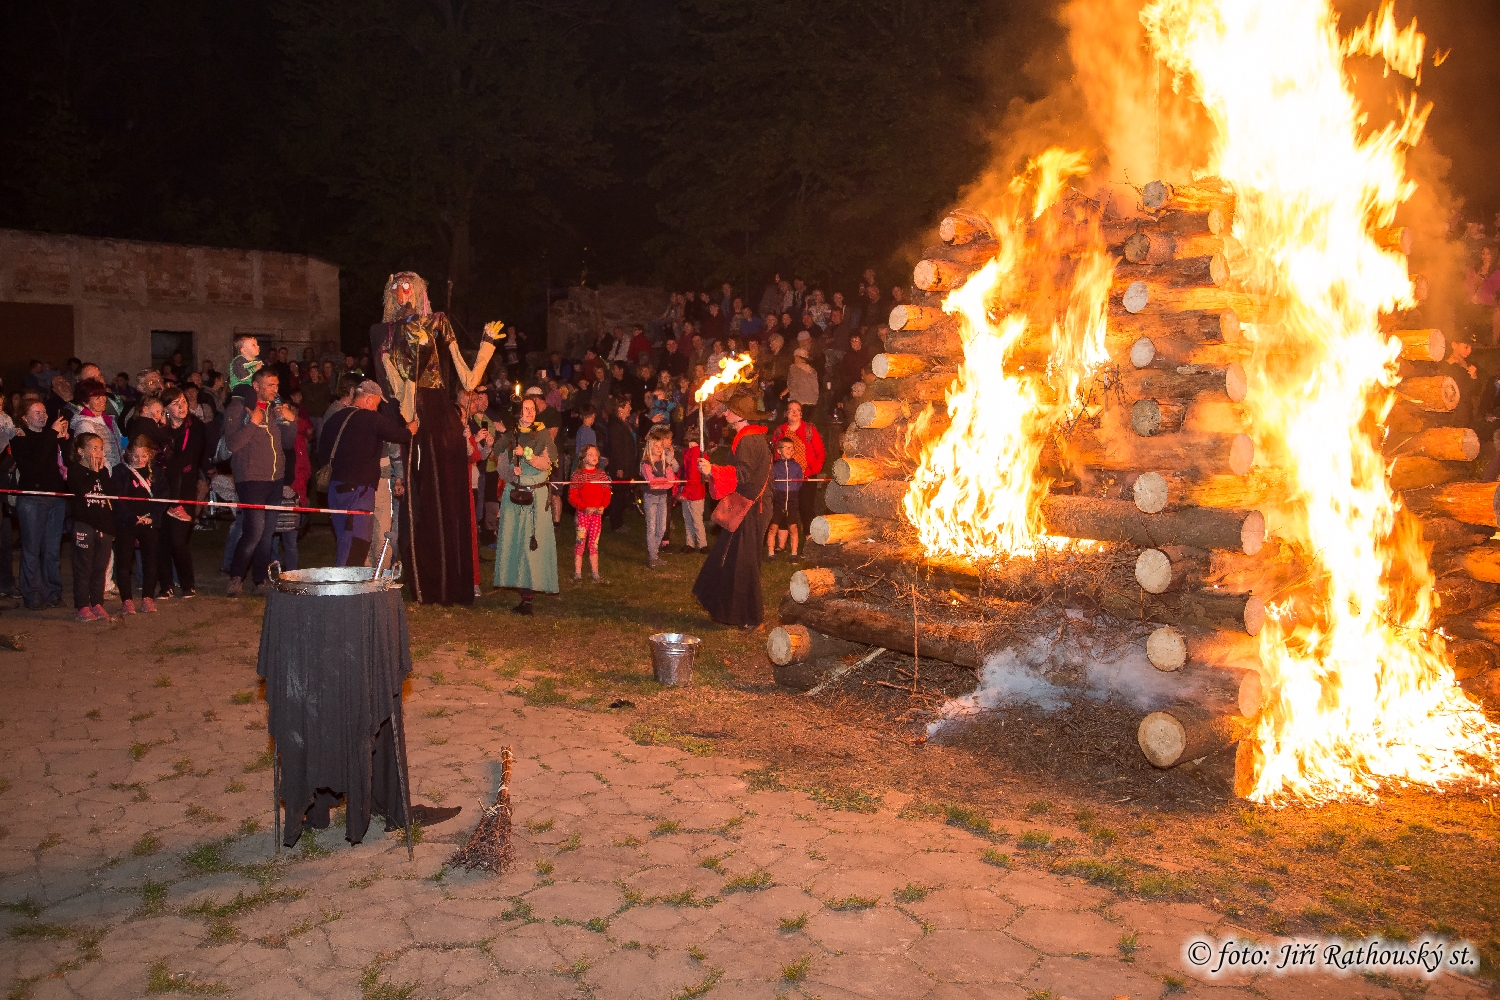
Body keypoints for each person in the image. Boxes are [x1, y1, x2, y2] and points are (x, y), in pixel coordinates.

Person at [372, 272, 502, 605]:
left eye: (408, 287)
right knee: (418, 497)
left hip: (439, 412)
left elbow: (468, 379)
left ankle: (451, 581)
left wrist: (486, 343)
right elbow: (392, 386)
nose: (403, 293)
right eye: (396, 288)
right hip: (413, 415)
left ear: (418, 291)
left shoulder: (438, 324)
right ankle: (418, 577)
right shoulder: (386, 332)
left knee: (445, 492)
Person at [692, 393, 772, 627]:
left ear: (740, 416)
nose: (725, 413)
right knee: (730, 558)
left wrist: (713, 470)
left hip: (752, 509)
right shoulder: (749, 437)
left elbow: (743, 474)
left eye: (729, 410)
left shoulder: (749, 441)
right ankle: (728, 611)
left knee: (744, 562)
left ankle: (751, 616)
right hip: (749, 506)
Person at [320, 381, 415, 567]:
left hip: (335, 488)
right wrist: (410, 430)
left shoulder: (335, 418)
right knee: (358, 542)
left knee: (344, 539)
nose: (377, 408)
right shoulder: (371, 418)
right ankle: (348, 587)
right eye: (377, 404)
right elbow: (398, 436)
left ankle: (345, 584)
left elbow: (322, 450)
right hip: (359, 489)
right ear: (369, 399)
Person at [224, 369, 297, 596]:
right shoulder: (239, 408)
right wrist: (253, 423)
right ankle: (236, 577)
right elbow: (233, 444)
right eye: (270, 385)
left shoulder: (275, 411)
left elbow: (288, 443)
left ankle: (260, 580)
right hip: (251, 478)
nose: (275, 390)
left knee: (267, 534)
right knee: (253, 531)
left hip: (275, 478)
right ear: (256, 386)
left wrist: (290, 421)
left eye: (276, 385)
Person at [494, 396, 559, 614]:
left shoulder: (542, 436)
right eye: (525, 409)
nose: (530, 413)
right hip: (514, 496)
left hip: (536, 497)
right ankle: (524, 593)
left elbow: (546, 464)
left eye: (532, 409)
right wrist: (512, 471)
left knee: (533, 546)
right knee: (516, 544)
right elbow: (501, 465)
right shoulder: (509, 436)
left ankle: (530, 596)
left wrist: (528, 457)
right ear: (518, 412)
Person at [12, 401, 69, 610]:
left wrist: (63, 439)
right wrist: (52, 434)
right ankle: (33, 595)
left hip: (56, 498)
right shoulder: (20, 438)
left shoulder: (52, 436)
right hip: (32, 499)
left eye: (44, 411)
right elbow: (35, 462)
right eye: (36, 413)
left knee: (52, 550)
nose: (43, 416)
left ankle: (53, 593)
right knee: (32, 549)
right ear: (25, 418)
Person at [157, 388, 205, 598]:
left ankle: (188, 582)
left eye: (184, 401)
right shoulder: (159, 429)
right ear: (166, 408)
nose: (182, 406)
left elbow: (189, 458)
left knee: (178, 539)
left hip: (184, 490)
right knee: (162, 539)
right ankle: (166, 584)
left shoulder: (195, 427)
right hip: (160, 489)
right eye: (176, 403)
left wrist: (169, 464)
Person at [68, 432, 114, 622]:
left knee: (99, 568)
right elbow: (81, 492)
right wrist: (93, 473)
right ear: (81, 451)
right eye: (94, 448)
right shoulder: (76, 470)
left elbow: (111, 494)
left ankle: (97, 603)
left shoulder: (102, 471)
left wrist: (101, 473)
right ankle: (82, 606)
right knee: (83, 568)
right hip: (84, 525)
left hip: (104, 527)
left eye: (100, 448)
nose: (98, 452)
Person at [112, 436, 160, 614]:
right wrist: (131, 517)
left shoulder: (156, 473)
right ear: (128, 454)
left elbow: (162, 497)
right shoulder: (120, 471)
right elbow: (117, 498)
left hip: (148, 522)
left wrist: (153, 517)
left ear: (149, 455)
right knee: (124, 562)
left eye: (143, 456)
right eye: (135, 456)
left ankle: (148, 598)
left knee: (150, 561)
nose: (139, 460)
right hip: (127, 522)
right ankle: (127, 600)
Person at [773, 401, 825, 537]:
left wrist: (814, 469)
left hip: (806, 476)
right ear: (786, 413)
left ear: (801, 414)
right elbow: (775, 453)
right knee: (784, 508)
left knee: (806, 508)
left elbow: (820, 452)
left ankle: (810, 541)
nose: (794, 412)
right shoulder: (780, 431)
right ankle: (782, 544)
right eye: (791, 410)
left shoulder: (809, 430)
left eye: (797, 410)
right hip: (785, 477)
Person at [568, 444, 611, 582]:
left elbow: (607, 493)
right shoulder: (578, 475)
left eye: (596, 454)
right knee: (580, 542)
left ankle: (595, 573)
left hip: (597, 516)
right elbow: (572, 496)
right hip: (583, 515)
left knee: (594, 544)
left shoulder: (601, 475)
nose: (594, 457)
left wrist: (603, 506)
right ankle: (577, 573)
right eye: (591, 454)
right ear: (583, 457)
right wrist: (583, 507)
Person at [640, 426, 679, 569]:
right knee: (651, 527)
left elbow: (672, 481)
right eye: (655, 446)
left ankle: (655, 553)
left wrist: (660, 483)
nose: (658, 448)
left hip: (662, 498)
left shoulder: (665, 463)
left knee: (661, 528)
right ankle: (652, 556)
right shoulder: (646, 463)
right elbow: (651, 481)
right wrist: (663, 481)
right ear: (650, 447)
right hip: (650, 498)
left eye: (660, 446)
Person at [766, 436, 804, 562]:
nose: (790, 450)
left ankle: (794, 554)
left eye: (792, 448)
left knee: (793, 527)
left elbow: (799, 483)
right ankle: (771, 554)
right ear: (778, 451)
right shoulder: (774, 466)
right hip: (778, 500)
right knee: (773, 527)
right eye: (786, 448)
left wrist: (792, 490)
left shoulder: (796, 467)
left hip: (792, 500)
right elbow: (770, 483)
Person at [69, 379, 121, 471]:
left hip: (117, 471)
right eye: (97, 398)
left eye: (102, 395)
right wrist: (107, 473)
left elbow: (119, 445)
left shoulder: (107, 419)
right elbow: (92, 455)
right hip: (104, 472)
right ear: (86, 403)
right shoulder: (85, 424)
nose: (102, 400)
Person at [605, 396, 638, 533]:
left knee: (624, 493)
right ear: (620, 408)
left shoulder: (624, 423)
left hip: (628, 464)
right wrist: (619, 467)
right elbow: (617, 448)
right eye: (627, 406)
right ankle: (616, 523)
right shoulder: (615, 426)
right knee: (619, 494)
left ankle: (619, 521)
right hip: (621, 466)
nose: (630, 408)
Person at [680, 424, 707, 554]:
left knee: (695, 519)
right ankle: (691, 543)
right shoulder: (695, 453)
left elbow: (693, 476)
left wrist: (685, 492)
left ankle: (702, 544)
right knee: (691, 518)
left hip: (693, 492)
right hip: (695, 491)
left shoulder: (694, 454)